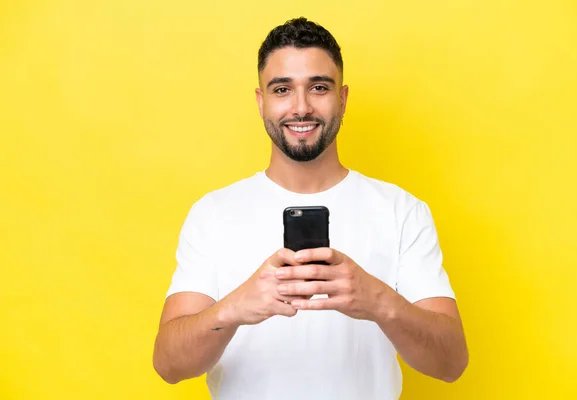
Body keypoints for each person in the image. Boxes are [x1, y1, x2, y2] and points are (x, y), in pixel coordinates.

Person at [152, 17, 468, 399]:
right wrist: (233, 308)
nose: (301, 108)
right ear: (261, 101)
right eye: (282, 89)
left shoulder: (402, 211)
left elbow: (451, 364)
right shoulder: (213, 214)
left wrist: (378, 300)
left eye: (319, 87)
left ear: (343, 98)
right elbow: (168, 366)